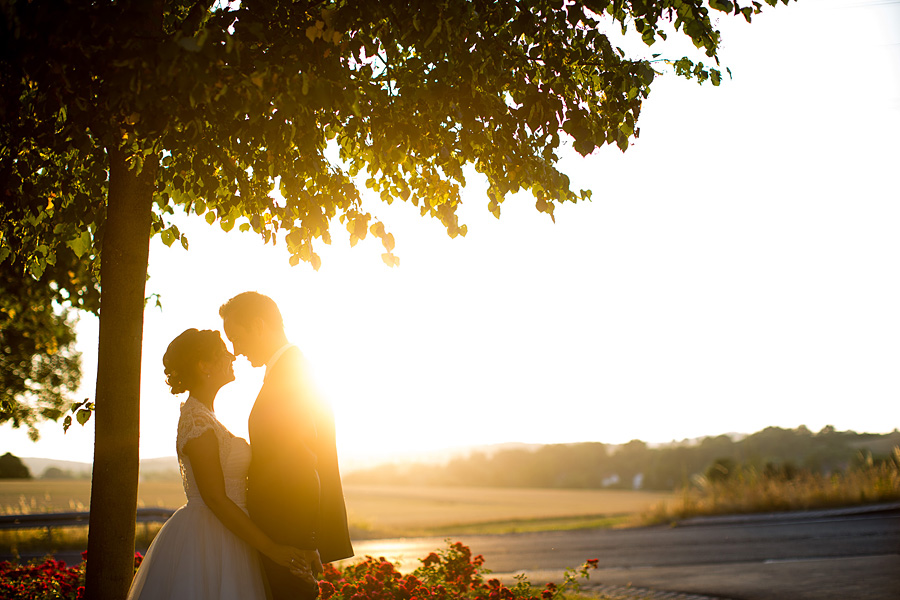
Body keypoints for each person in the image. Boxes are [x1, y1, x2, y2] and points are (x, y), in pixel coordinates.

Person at [127, 328, 314, 600]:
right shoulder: (196, 421)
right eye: (223, 352)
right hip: (212, 537)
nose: (233, 355)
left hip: (234, 531)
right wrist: (271, 548)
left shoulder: (206, 415)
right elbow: (215, 498)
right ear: (204, 365)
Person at [220, 292, 354, 600]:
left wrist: (306, 540)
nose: (236, 351)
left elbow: (302, 462)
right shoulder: (288, 370)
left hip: (288, 537)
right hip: (285, 533)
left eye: (237, 338)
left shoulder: (291, 375)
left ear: (258, 325)